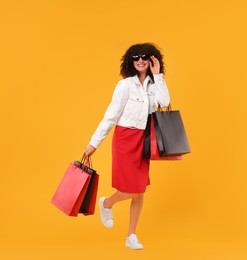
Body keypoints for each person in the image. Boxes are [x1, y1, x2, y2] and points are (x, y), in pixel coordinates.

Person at [85, 43, 170, 250]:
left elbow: (165, 102)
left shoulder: (154, 82)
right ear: (130, 62)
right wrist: (93, 143)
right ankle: (107, 203)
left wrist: (157, 75)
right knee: (131, 188)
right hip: (125, 139)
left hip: (144, 140)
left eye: (144, 57)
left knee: (139, 191)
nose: (140, 60)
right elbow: (110, 116)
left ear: (151, 60)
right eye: (135, 57)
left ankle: (131, 235)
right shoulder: (125, 85)